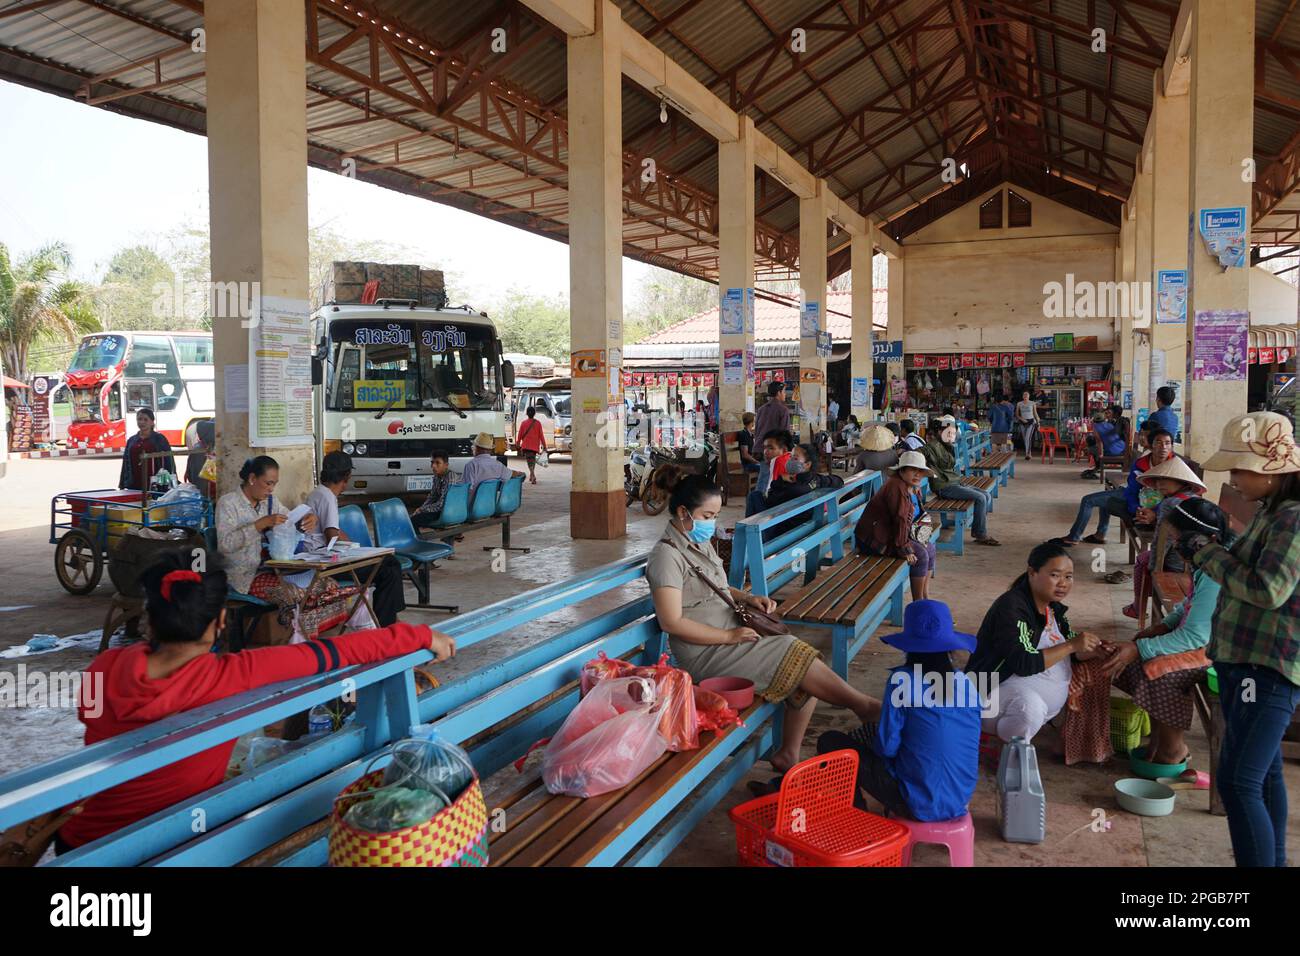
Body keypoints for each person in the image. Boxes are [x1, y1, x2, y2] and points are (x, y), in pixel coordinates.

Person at [55, 549, 455, 852]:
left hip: (82, 843)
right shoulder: (232, 675)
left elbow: (90, 721)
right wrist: (419, 636)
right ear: (220, 623)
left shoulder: (103, 667)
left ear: (150, 619)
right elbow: (338, 653)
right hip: (172, 843)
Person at [646, 471, 882, 781]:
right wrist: (729, 636)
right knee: (793, 652)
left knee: (803, 664)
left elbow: (717, 586)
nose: (712, 523)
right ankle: (862, 706)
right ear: (682, 513)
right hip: (706, 654)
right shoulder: (666, 557)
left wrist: (749, 597)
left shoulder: (697, 543)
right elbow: (671, 622)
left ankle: (788, 753)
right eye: (707, 515)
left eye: (715, 516)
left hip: (730, 637)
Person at [1182, 411, 1300, 867]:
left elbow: (1267, 589)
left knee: (1237, 783)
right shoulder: (1274, 513)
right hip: (1246, 661)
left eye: (1238, 469)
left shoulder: (1292, 519)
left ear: (1270, 471)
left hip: (1265, 667)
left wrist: (1207, 552)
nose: (1233, 480)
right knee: (1265, 776)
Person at [816, 600, 980, 820]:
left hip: (914, 802)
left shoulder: (902, 682)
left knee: (831, 741)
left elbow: (887, 748)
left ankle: (854, 813)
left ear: (908, 646)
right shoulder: (966, 684)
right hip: (960, 798)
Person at [1103, 498, 1232, 766]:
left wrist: (1140, 649)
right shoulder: (1206, 564)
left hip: (1222, 651)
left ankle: (1173, 751)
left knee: (1159, 671)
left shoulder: (1215, 574)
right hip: (1205, 639)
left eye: (1177, 538)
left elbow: (1196, 637)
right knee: (1144, 653)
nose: (1174, 545)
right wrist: (1161, 627)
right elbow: (1189, 604)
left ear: (1206, 538)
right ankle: (1159, 738)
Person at [965, 542, 1104, 744]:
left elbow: (1071, 649)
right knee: (1028, 708)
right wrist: (1072, 645)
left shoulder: (1053, 608)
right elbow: (1023, 662)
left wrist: (1094, 649)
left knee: (1099, 666)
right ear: (1032, 572)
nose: (1063, 583)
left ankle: (1062, 734)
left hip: (1031, 703)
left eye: (1068, 576)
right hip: (989, 696)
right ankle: (1011, 746)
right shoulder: (1012, 607)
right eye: (1055, 575)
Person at [217, 455, 362, 642]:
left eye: (274, 484)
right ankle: (300, 643)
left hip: (276, 569)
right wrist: (258, 525)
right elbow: (224, 544)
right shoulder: (228, 503)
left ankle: (314, 640)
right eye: (268, 483)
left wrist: (307, 519)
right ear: (252, 479)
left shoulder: (270, 502)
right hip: (244, 576)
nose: (271, 489)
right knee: (297, 594)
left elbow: (290, 518)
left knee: (327, 585)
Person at [303, 451, 409, 628]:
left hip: (320, 556)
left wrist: (351, 543)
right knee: (389, 567)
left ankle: (390, 617)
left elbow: (333, 529)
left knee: (388, 564)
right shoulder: (328, 497)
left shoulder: (318, 493)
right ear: (347, 476)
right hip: (325, 562)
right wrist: (354, 547)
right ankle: (387, 622)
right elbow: (332, 536)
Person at [1054, 428, 1176, 546]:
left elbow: (1177, 497)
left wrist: (1154, 513)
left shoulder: (1176, 467)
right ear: (1152, 445)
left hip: (1162, 511)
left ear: (1172, 446)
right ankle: (1099, 535)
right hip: (1139, 504)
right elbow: (1132, 490)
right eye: (1158, 443)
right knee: (1104, 501)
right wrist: (1136, 509)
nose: (1164, 447)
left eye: (1167, 443)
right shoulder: (1140, 464)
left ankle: (1074, 537)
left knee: (1088, 500)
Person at [1122, 456, 1205, 620]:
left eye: (1165, 479)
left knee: (1141, 560)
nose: (1159, 484)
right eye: (1158, 480)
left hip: (1176, 564)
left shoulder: (1169, 505)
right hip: (1198, 565)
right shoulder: (1196, 500)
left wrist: (1155, 570)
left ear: (1181, 482)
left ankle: (1137, 607)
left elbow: (1161, 543)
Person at [855, 450, 936, 601]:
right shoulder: (896, 487)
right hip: (874, 539)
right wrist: (904, 548)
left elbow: (911, 517)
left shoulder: (911, 486)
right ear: (902, 471)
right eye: (913, 470)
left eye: (921, 471)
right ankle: (918, 603)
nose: (918, 474)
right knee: (921, 555)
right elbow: (901, 519)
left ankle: (926, 596)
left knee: (930, 548)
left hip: (891, 532)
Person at [922, 417, 1000, 546]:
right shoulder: (931, 446)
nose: (951, 435)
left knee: (985, 495)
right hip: (944, 487)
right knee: (981, 497)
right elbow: (919, 452)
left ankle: (978, 527)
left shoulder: (945, 445)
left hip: (954, 482)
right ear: (939, 432)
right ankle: (980, 534)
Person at [118, 407, 175, 491]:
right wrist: (122, 484)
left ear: (152, 422)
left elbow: (169, 461)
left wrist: (171, 481)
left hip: (155, 485)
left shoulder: (159, 439)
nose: (142, 422)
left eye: (145, 419)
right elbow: (125, 463)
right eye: (139, 419)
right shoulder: (131, 440)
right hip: (134, 483)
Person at [752, 380, 791, 494]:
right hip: (773, 449)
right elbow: (785, 433)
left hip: (759, 448)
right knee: (768, 477)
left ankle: (759, 499)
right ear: (778, 393)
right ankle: (760, 502)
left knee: (764, 475)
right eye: (783, 392)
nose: (784, 394)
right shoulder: (783, 410)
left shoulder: (761, 409)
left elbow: (757, 431)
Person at [746, 429, 794, 517]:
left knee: (754, 496)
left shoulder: (778, 462)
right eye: (765, 448)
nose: (765, 452)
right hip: (789, 513)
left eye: (771, 448)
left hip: (779, 518)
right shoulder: (792, 459)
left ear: (784, 450)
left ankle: (747, 529)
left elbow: (771, 496)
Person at [412, 450, 459, 535]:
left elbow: (442, 504)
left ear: (446, 465)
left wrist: (422, 509)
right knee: (412, 518)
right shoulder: (437, 477)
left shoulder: (450, 477)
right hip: (440, 510)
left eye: (438, 463)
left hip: (448, 511)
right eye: (432, 462)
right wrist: (421, 509)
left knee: (413, 521)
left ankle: (420, 544)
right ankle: (420, 542)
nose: (433, 466)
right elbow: (432, 496)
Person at [460, 432, 518, 500]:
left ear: (477, 448)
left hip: (472, 506)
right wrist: (520, 473)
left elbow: (466, 489)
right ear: (490, 450)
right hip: (490, 505)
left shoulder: (471, 465)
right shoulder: (498, 465)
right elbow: (512, 474)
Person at [1080, 404, 1128, 479]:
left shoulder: (1097, 427)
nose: (1107, 414)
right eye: (1106, 413)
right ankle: (1097, 467)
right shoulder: (1111, 424)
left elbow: (1100, 442)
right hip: (1122, 448)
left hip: (1114, 452)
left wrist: (1101, 455)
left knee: (1092, 449)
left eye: (1109, 412)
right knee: (1094, 446)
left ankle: (1098, 467)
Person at [516, 406, 547, 485]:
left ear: (527, 413)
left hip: (526, 446)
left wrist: (517, 443)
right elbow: (541, 436)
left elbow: (519, 435)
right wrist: (544, 446)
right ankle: (531, 474)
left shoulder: (523, 423)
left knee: (529, 460)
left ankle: (532, 475)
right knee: (532, 460)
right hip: (534, 446)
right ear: (534, 414)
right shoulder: (538, 423)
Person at [1014, 390, 1039, 460]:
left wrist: (1038, 422)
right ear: (1022, 396)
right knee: (1025, 438)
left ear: (1029, 396)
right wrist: (1021, 419)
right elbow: (1017, 414)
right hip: (1022, 421)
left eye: (1026, 395)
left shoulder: (1032, 403)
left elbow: (1035, 413)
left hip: (1031, 421)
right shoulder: (1019, 404)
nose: (1025, 396)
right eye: (1024, 395)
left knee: (1028, 437)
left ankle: (1028, 454)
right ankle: (1028, 453)